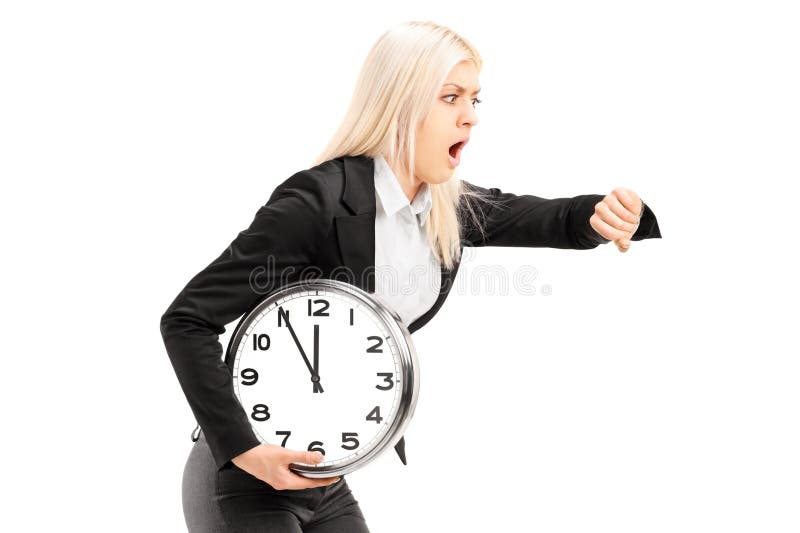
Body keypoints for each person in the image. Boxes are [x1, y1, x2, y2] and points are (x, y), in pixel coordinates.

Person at [159, 20, 662, 533]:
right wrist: (243, 450)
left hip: (325, 474)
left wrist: (616, 213)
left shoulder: (443, 207)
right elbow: (187, 319)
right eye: (451, 98)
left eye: (474, 100)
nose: (470, 117)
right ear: (401, 103)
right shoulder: (316, 202)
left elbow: (552, 218)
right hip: (245, 479)